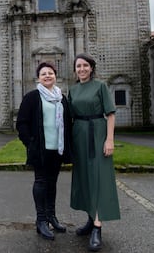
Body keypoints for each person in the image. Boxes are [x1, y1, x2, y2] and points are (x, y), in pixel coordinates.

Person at [68, 53, 120, 252]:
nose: (81, 69)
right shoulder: (72, 90)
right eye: (78, 66)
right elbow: (69, 117)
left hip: (98, 134)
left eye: (85, 66)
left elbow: (111, 114)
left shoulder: (101, 86)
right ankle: (91, 220)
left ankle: (97, 228)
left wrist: (109, 139)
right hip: (79, 136)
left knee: (98, 178)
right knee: (85, 179)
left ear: (91, 68)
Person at [16, 62, 72, 241]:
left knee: (52, 183)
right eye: (43, 74)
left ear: (55, 75)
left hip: (57, 148)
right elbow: (22, 123)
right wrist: (30, 143)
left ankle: (51, 217)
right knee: (40, 182)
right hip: (40, 149)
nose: (47, 76)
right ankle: (41, 221)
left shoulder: (61, 98)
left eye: (50, 73)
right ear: (38, 78)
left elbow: (68, 122)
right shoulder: (32, 97)